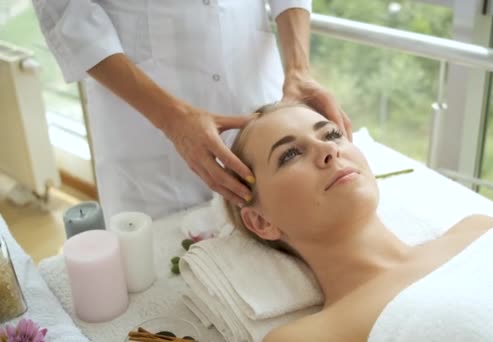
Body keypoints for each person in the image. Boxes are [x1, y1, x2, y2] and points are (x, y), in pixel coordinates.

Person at [224, 102, 493, 341]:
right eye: (290, 155)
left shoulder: (479, 229)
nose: (328, 150)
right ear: (260, 222)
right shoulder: (311, 336)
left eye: (332, 134)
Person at [32, 1, 351, 222]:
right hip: (144, 121)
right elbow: (65, 12)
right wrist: (171, 120)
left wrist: (298, 69)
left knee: (279, 228)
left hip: (255, 88)